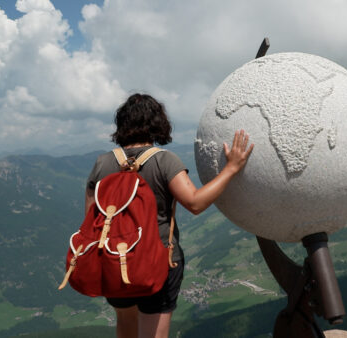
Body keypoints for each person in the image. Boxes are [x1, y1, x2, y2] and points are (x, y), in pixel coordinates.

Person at [85, 93, 253, 338]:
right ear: (158, 123)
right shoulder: (164, 161)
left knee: (126, 325)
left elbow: (91, 217)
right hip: (159, 261)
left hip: (115, 260)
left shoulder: (102, 164)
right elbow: (195, 203)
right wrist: (231, 168)